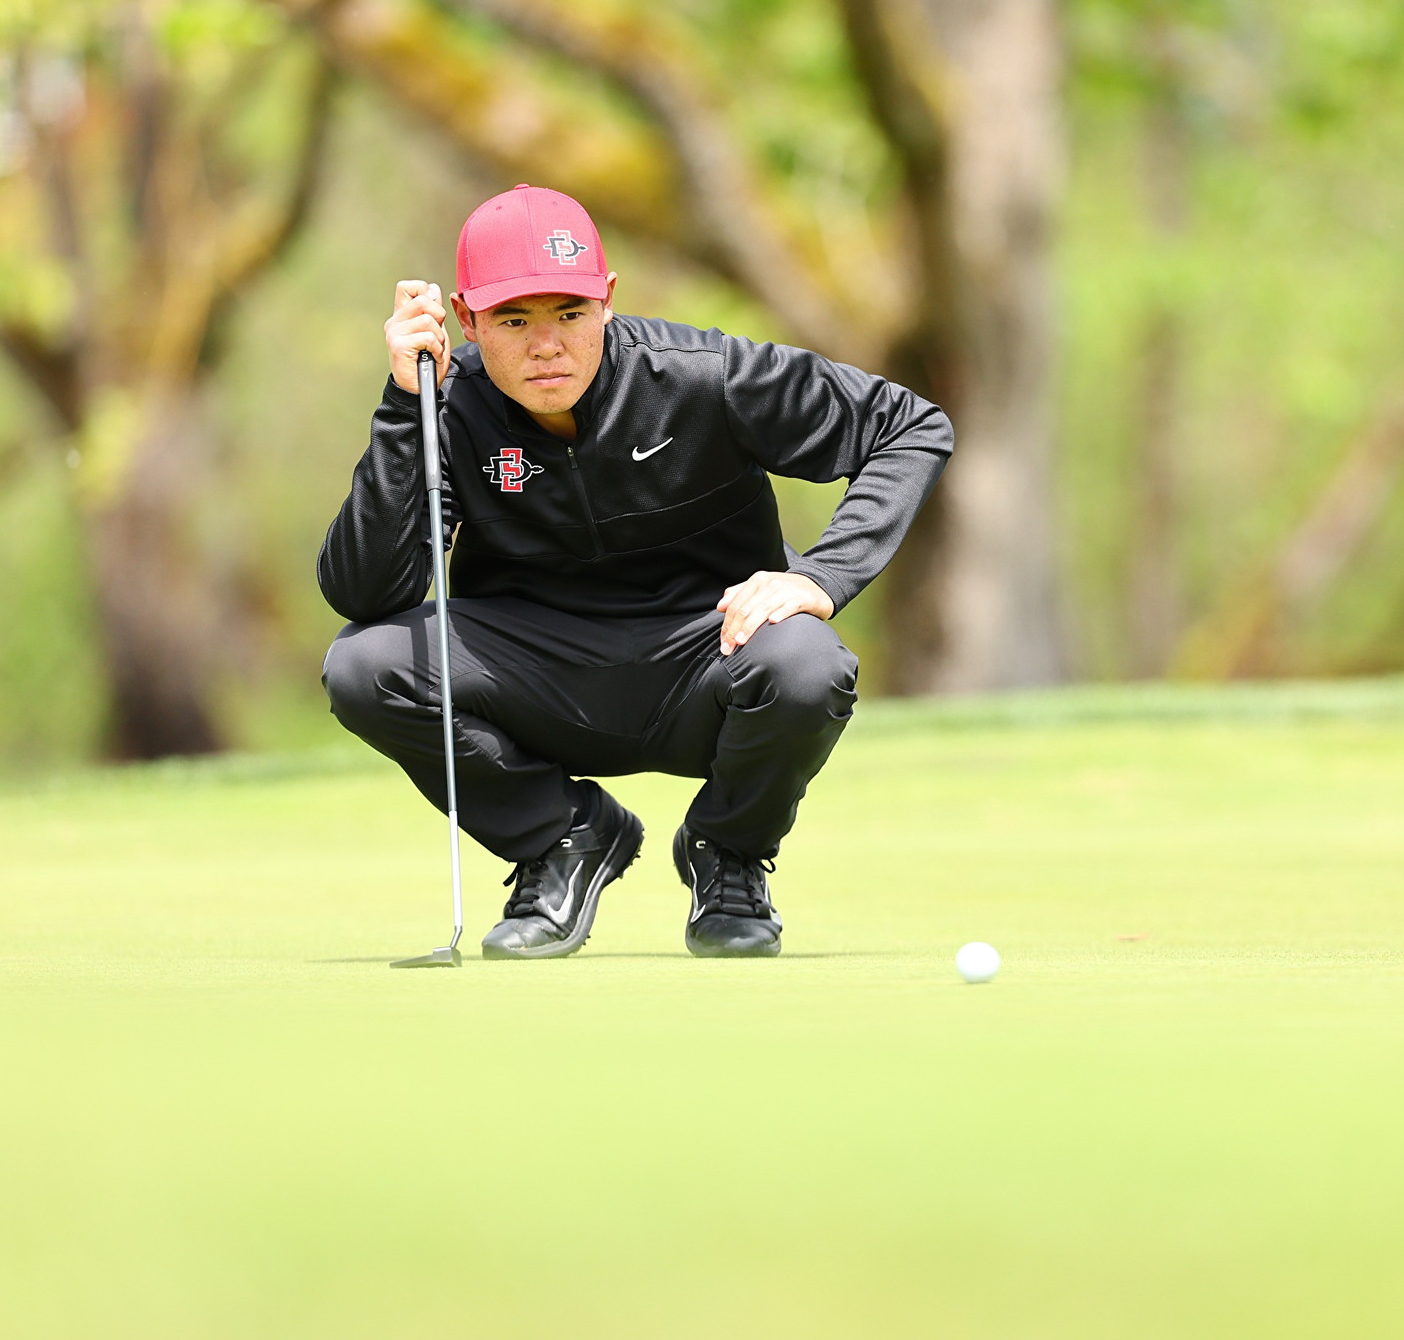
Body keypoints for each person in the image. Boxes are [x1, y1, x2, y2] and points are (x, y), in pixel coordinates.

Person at [318, 184, 953, 959]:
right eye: (515, 320)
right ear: (467, 317)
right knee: (363, 663)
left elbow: (908, 425)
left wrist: (822, 575)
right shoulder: (448, 405)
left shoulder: (703, 376)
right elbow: (363, 594)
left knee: (807, 662)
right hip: (535, 679)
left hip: (705, 662)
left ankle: (728, 853)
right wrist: (402, 405)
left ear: (607, 301)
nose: (545, 345)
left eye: (569, 315)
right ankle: (564, 839)